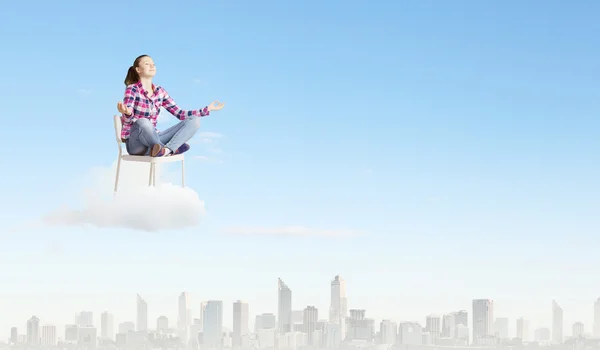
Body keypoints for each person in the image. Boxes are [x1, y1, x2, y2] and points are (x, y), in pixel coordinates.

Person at [116, 54, 225, 157]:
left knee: (194, 120)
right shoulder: (132, 89)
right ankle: (170, 149)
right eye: (147, 64)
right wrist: (127, 112)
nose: (152, 66)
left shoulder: (160, 91)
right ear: (138, 70)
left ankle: (165, 151)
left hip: (154, 142)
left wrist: (207, 109)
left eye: (153, 64)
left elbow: (180, 114)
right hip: (136, 145)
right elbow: (128, 113)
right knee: (143, 122)